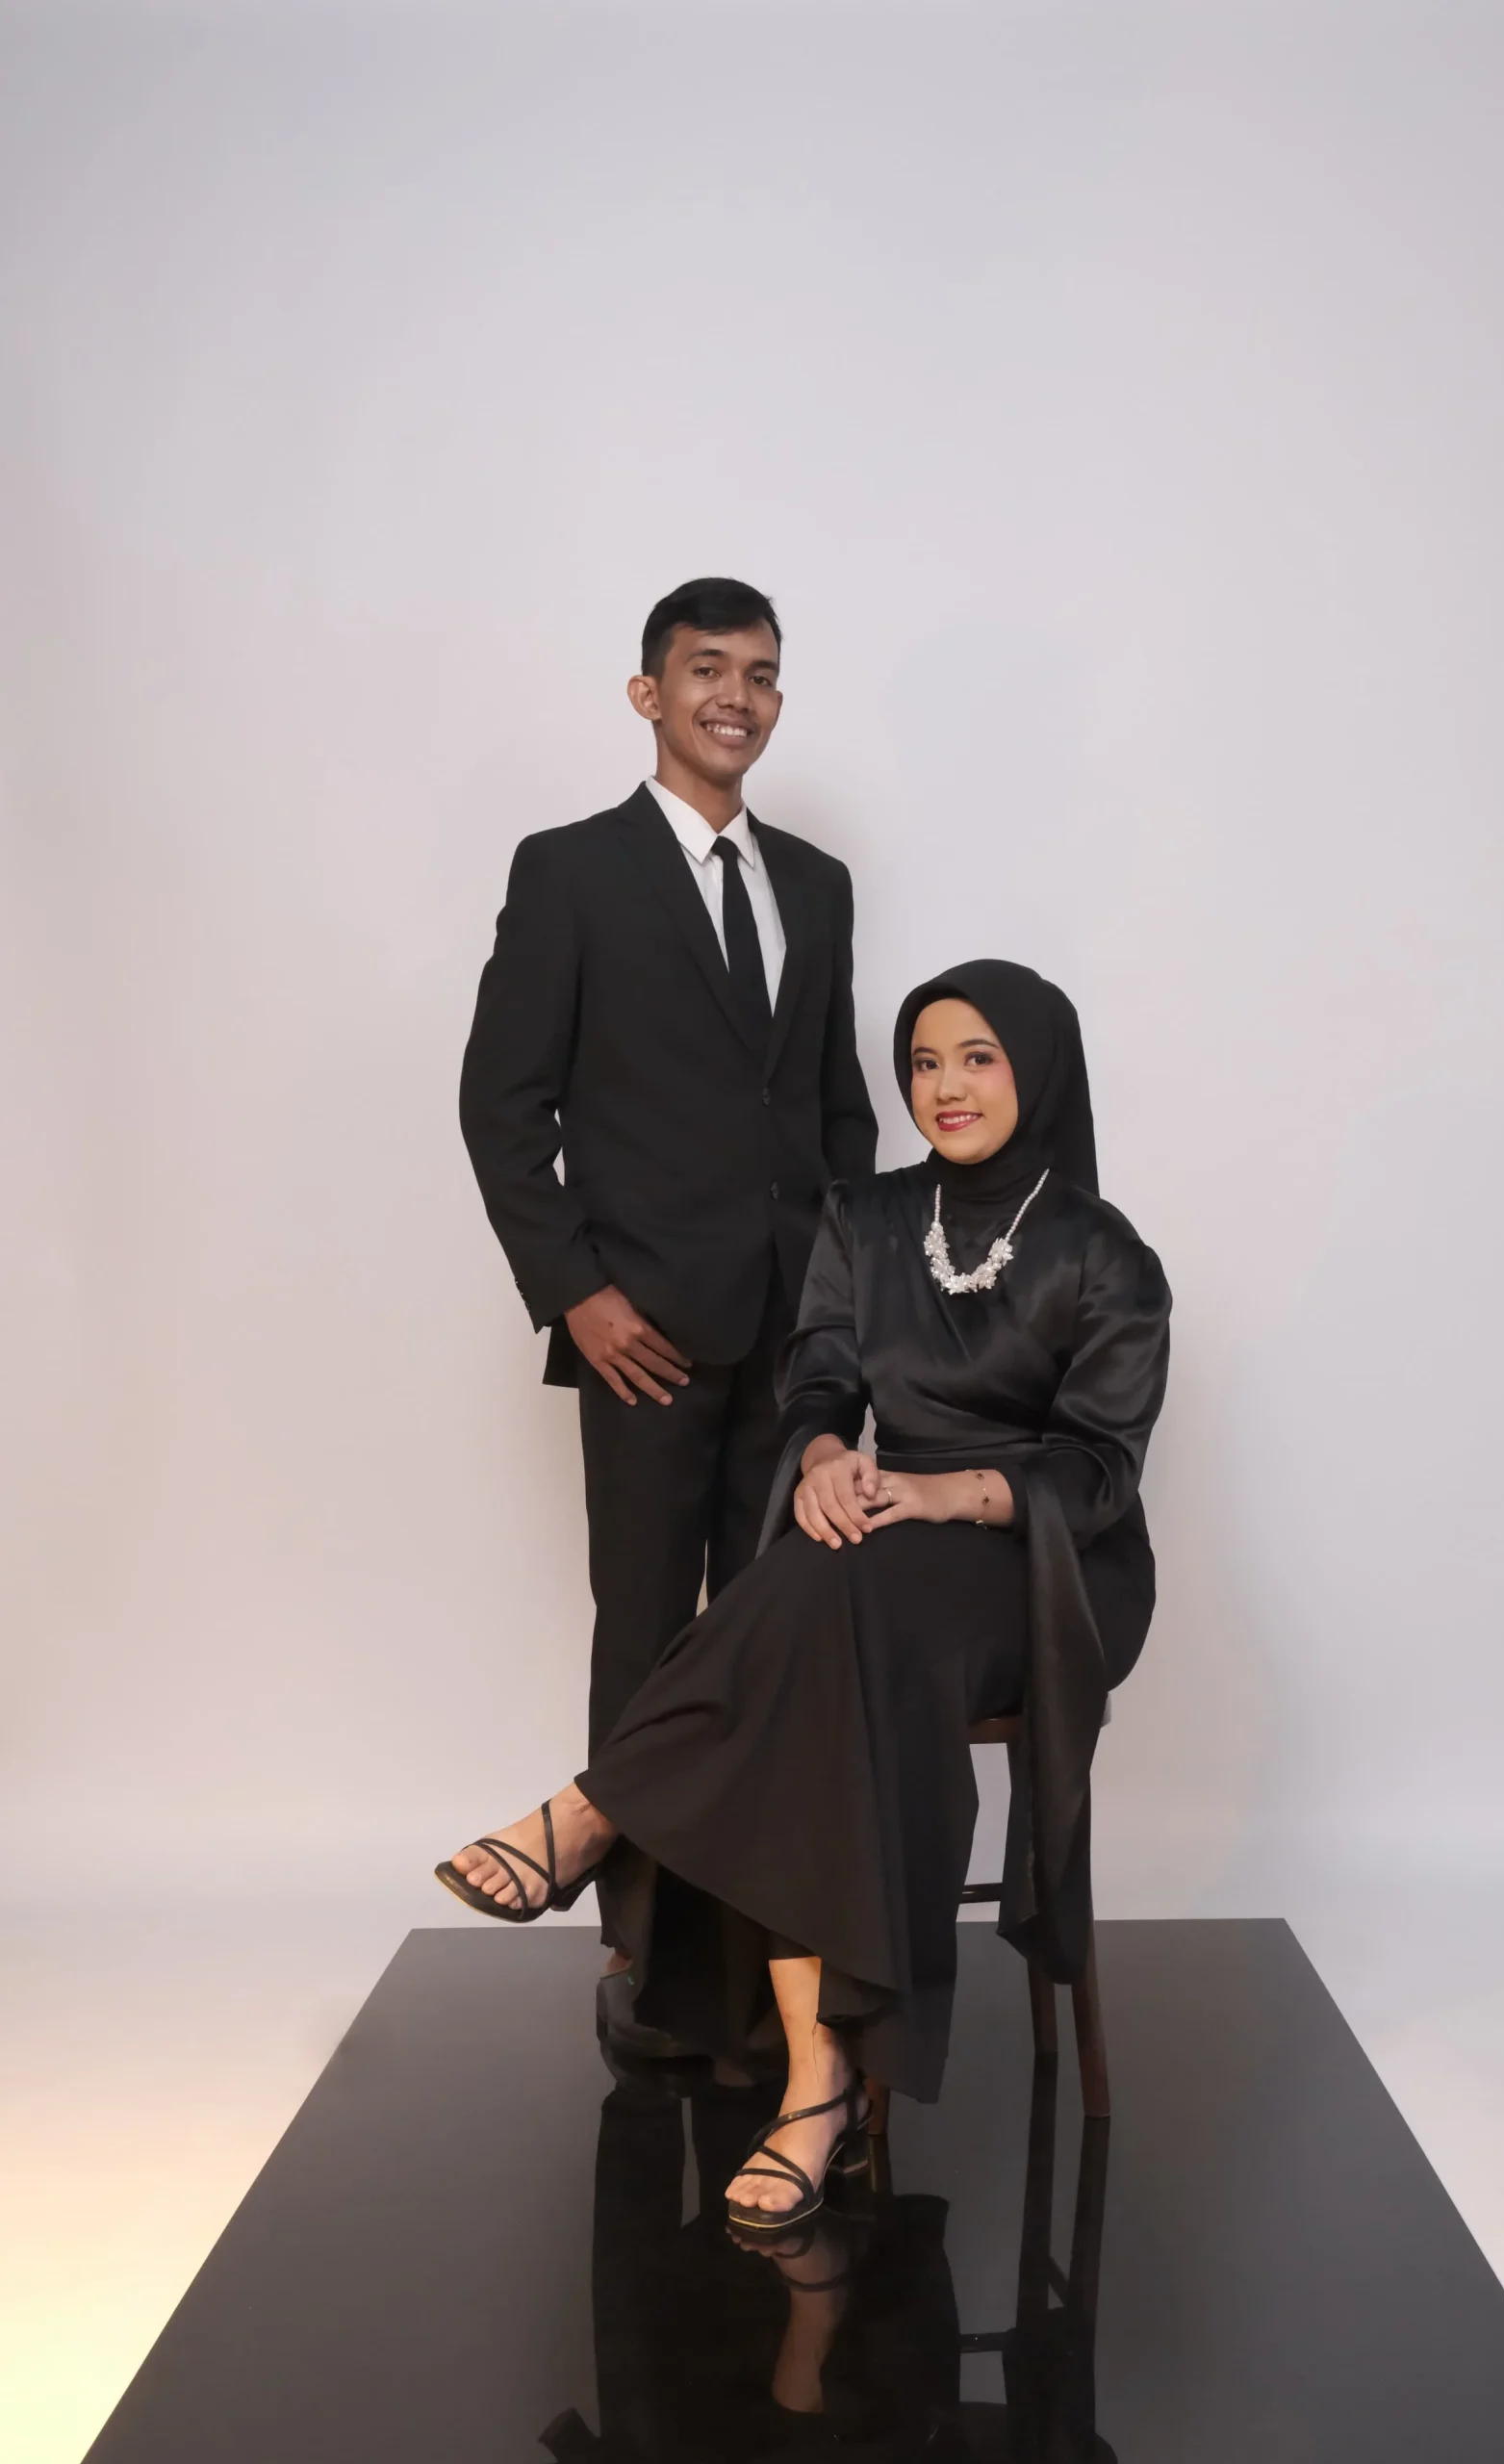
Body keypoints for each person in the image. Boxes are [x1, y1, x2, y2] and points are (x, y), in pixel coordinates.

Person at [440, 962, 1170, 2233]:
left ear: (1038, 1070)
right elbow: (819, 1379)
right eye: (925, 1062)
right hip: (880, 1545)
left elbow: (1099, 1469)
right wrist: (829, 1455)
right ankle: (817, 2086)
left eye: (979, 1058)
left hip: (1045, 1566)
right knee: (826, 1607)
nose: (945, 1087)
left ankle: (597, 1810)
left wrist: (939, 1493)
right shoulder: (866, 1217)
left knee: (821, 1594)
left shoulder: (1104, 1252)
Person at [458, 578, 877, 2043]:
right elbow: (501, 1107)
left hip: (792, 1337)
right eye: (707, 670)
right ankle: (643, 1953)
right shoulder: (571, 872)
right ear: (649, 694)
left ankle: (763, 1945)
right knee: (642, 1632)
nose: (734, 698)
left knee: (775, 1639)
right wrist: (575, 1294)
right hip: (638, 1338)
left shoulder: (816, 884)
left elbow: (832, 1108)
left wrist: (846, 1313)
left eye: (760, 674)